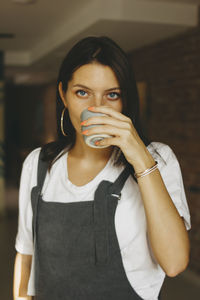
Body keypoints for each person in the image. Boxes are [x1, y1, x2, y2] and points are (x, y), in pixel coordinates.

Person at [13, 36, 191, 300]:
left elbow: (175, 263)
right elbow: (26, 255)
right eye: (82, 92)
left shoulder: (158, 158)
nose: (97, 108)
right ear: (63, 94)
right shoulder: (39, 164)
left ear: (125, 101)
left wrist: (140, 157)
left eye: (112, 94)